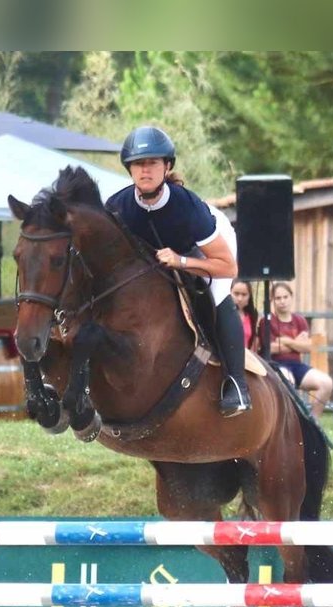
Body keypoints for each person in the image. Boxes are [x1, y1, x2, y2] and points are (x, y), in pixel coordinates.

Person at [105, 125, 250, 417]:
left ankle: (236, 384)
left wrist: (182, 262)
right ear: (129, 169)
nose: (144, 171)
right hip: (156, 261)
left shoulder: (187, 208)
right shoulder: (116, 207)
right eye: (137, 165)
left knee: (216, 294)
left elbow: (227, 267)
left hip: (205, 249)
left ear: (167, 166)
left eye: (152, 163)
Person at [263, 281, 333, 421]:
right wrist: (296, 342)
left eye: (285, 297)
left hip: (297, 365)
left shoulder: (299, 320)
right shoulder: (267, 321)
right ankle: (292, 422)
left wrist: (286, 341)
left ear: (291, 297)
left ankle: (314, 421)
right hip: (276, 365)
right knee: (288, 380)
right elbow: (271, 348)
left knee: (326, 383)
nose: (282, 301)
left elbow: (307, 347)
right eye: (278, 298)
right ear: (272, 301)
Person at [230, 279, 260, 350]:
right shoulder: (223, 313)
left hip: (246, 356)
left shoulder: (252, 315)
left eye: (244, 294)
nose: (240, 298)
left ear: (249, 296)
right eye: (236, 294)